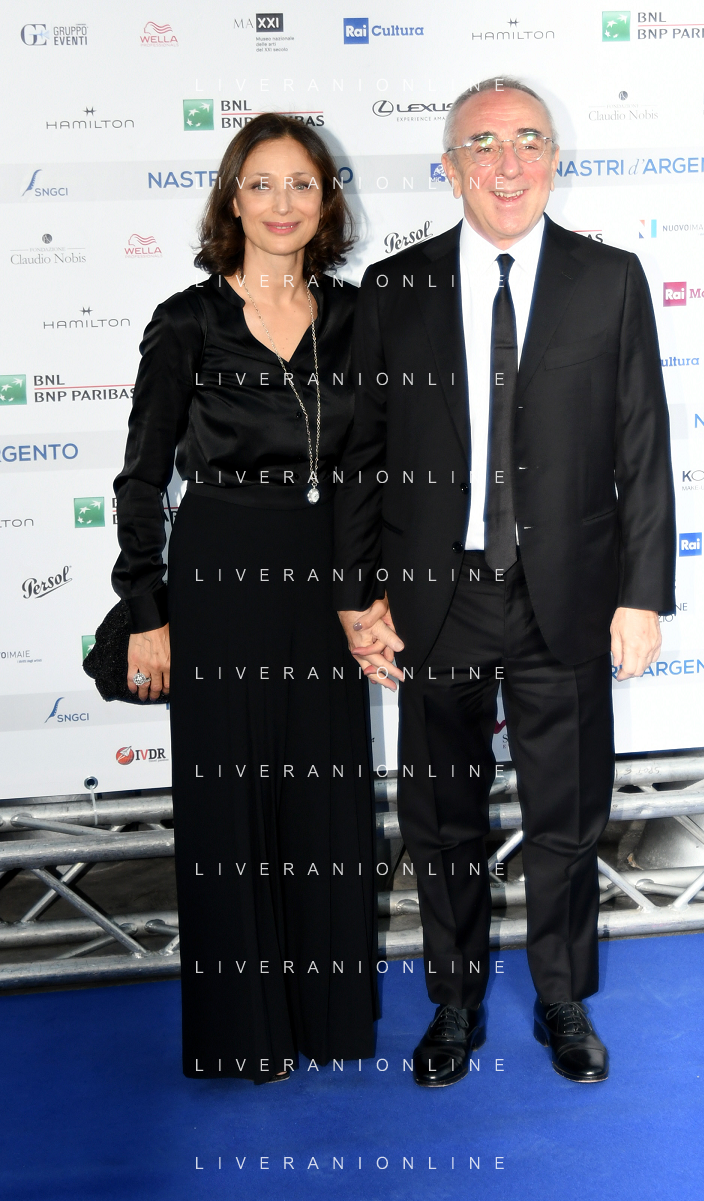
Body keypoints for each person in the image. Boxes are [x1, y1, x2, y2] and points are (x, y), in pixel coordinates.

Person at [333, 77, 676, 1086]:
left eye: (529, 140)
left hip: (566, 595)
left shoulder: (610, 280)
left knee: (567, 815)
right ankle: (454, 1000)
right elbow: (361, 456)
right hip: (433, 600)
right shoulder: (393, 291)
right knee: (441, 818)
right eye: (482, 145)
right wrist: (355, 595)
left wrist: (642, 593)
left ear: (555, 159)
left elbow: (642, 448)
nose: (508, 163)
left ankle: (563, 999)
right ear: (450, 168)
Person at [112, 113, 380, 1084]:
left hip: (326, 580)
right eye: (260, 183)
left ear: (327, 200)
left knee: (325, 796)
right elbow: (142, 478)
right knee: (229, 805)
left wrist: (369, 591)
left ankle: (327, 1015)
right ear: (232, 198)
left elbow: (371, 467)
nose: (281, 203)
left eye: (301, 183)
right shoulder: (187, 321)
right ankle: (243, 1031)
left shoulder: (355, 317)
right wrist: (147, 609)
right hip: (219, 574)